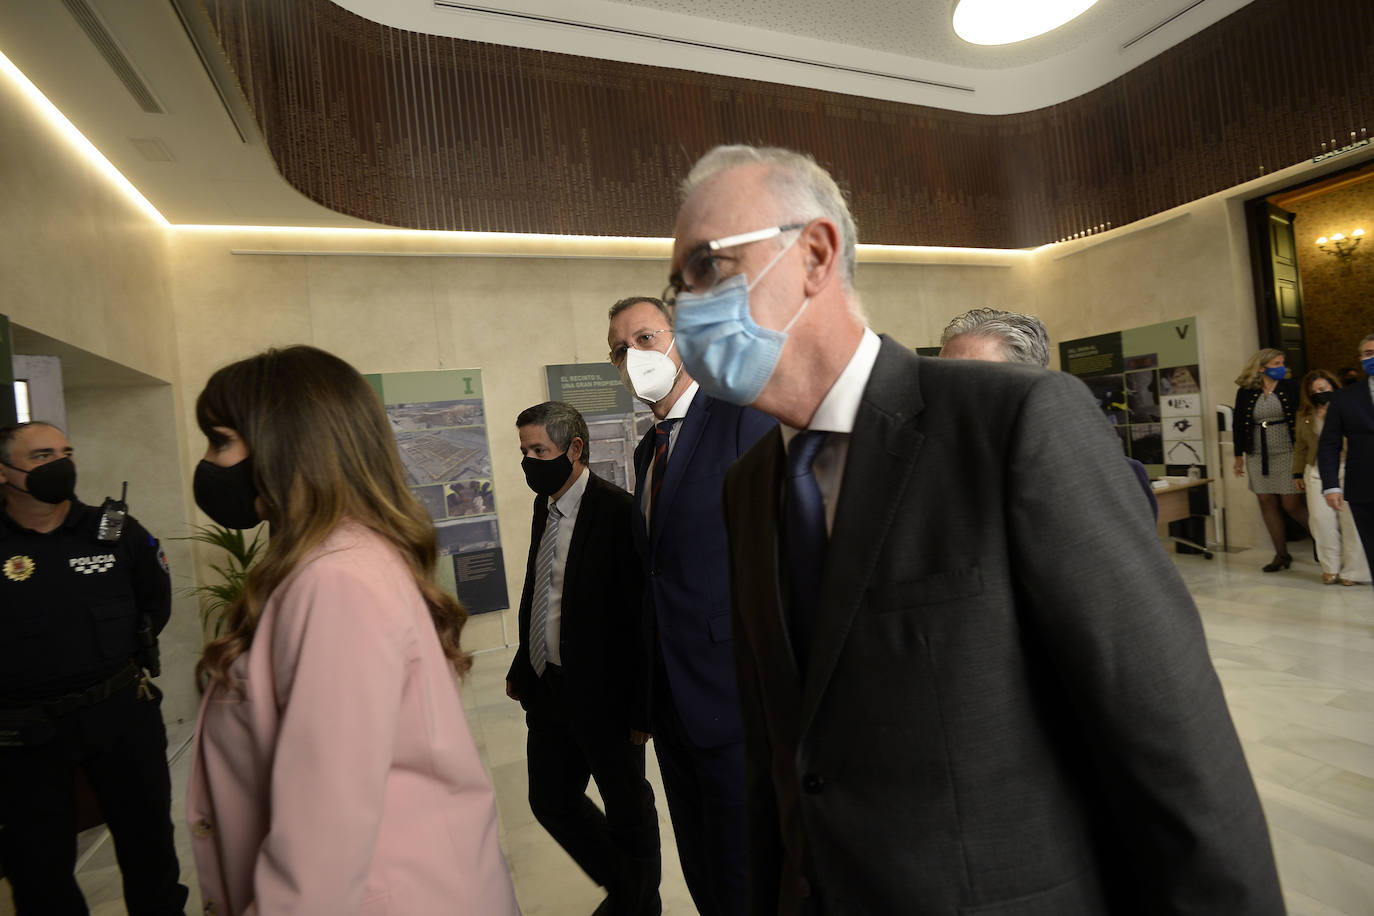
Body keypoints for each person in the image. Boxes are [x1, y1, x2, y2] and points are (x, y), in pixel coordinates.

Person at [665, 144, 1283, 914]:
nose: (684, 308)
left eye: (705, 269)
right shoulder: (746, 487)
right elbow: (777, 757)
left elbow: (1173, 746)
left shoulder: (1015, 423)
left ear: (815, 254)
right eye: (678, 284)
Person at [185, 346, 518, 915]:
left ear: (283, 442)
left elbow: (325, 828)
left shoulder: (336, 580)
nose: (211, 461)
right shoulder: (338, 562)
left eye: (221, 440)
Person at [607, 295, 774, 915]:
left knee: (745, 870)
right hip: (673, 704)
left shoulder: (742, 420)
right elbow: (656, 577)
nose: (633, 359)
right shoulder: (649, 449)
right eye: (620, 350)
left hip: (734, 696)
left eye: (646, 339)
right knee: (701, 867)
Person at [0, 421, 187, 916]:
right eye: (41, 456)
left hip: (121, 711)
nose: (60, 464)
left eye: (66, 451)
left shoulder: (115, 531)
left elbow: (156, 602)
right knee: (38, 865)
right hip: (24, 732)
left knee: (150, 847)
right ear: (4, 472)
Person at [507, 401, 660, 915]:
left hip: (606, 695)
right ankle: (632, 891)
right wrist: (519, 664)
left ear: (575, 449)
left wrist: (643, 705)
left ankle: (637, 903)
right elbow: (540, 586)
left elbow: (642, 615)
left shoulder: (618, 511)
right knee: (550, 800)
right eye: (525, 451)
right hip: (547, 686)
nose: (530, 461)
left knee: (627, 809)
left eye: (539, 450)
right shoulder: (543, 506)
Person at [938, 307, 1158, 520]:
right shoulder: (934, 478)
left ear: (1028, 384)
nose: (948, 394)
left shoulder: (1112, 480)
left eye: (973, 378)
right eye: (942, 377)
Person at [1233, 348, 1309, 571]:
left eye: (1282, 363)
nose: (1282, 367)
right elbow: (1238, 424)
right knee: (1266, 501)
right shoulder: (1246, 391)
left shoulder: (1291, 387)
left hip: (1288, 451)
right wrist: (1238, 455)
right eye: (1276, 363)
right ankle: (1281, 554)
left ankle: (1326, 544)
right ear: (1261, 367)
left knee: (1291, 504)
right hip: (1257, 454)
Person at [1294, 369, 1369, 585]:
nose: (1319, 393)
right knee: (1320, 519)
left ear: (1333, 387)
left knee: (1351, 521)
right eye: (1314, 391)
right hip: (1316, 470)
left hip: (1348, 467)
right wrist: (1297, 471)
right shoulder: (1305, 414)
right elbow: (1300, 445)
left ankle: (1352, 572)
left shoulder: (1349, 407)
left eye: (1323, 389)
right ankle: (1330, 566)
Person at [1318, 333, 1374, 592]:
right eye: (1366, 354)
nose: (1370, 357)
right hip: (1364, 486)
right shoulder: (1345, 397)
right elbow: (1329, 444)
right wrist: (1331, 485)